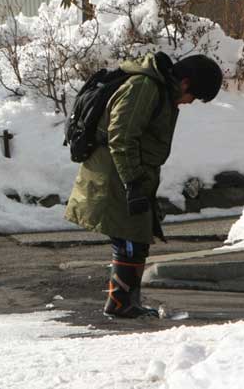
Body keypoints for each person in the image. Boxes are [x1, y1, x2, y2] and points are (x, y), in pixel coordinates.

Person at [64, 52, 223, 319]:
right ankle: (121, 303)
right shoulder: (144, 87)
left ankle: (125, 302)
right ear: (185, 83)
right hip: (115, 175)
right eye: (193, 97)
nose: (188, 103)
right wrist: (133, 183)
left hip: (125, 174)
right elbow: (121, 137)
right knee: (130, 237)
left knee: (135, 236)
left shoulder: (157, 89)